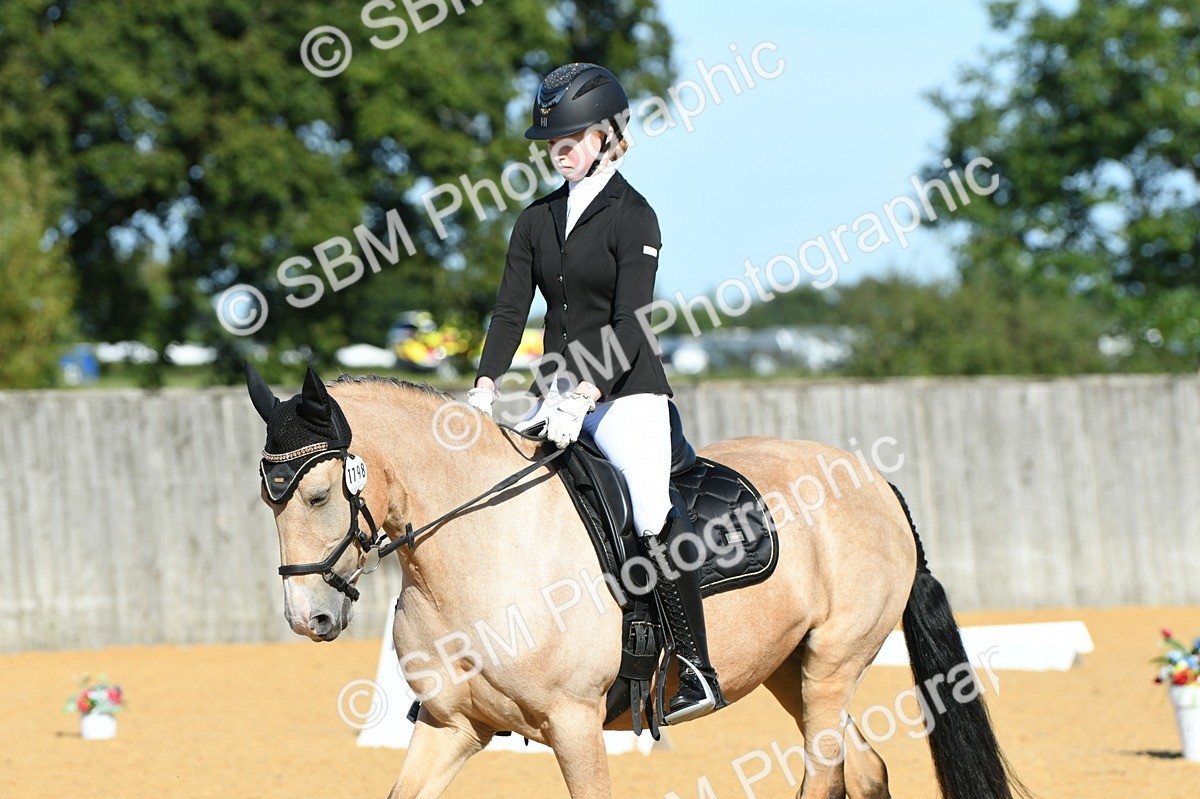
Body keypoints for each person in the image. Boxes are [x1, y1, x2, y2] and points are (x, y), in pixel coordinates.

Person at [466, 63, 725, 724]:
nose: (561, 147)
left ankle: (693, 663)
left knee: (646, 509)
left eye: (574, 136)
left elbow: (632, 320)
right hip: (552, 391)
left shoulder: (633, 214)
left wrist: (586, 392)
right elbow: (508, 312)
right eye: (553, 138)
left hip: (625, 394)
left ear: (610, 135)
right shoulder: (535, 219)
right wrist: (484, 388)